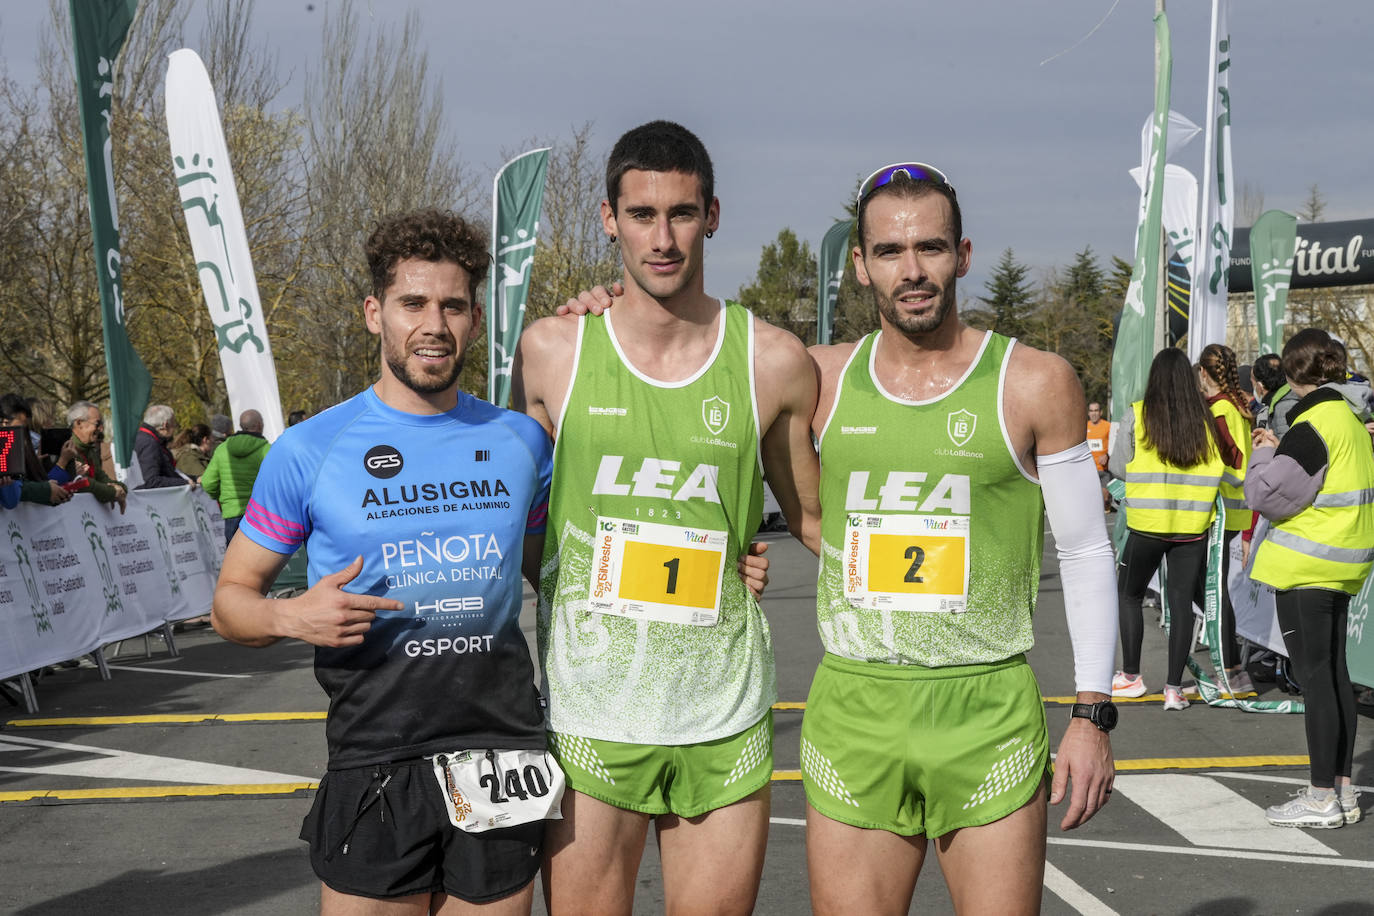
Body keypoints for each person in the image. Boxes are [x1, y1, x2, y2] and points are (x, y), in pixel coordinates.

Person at [511, 120, 821, 916]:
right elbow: (513, 525)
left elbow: (816, 521)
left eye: (681, 213)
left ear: (712, 215)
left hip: (724, 712)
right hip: (591, 713)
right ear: (608, 218)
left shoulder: (774, 359)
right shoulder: (552, 350)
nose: (663, 238)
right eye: (641, 215)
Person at [213, 209, 557, 914]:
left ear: (474, 318)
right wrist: (288, 614)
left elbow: (561, 575)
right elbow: (229, 602)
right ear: (376, 314)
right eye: (413, 304)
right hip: (374, 753)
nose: (434, 323)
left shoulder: (523, 442)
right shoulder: (309, 450)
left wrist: (717, 573)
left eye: (453, 305)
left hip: (501, 750)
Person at [800, 162, 1117, 914]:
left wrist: (1093, 714)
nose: (912, 271)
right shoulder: (815, 380)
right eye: (889, 252)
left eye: (931, 249)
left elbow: (1085, 550)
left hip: (987, 710)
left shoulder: (1035, 381)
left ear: (963, 255)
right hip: (855, 705)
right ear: (860, 264)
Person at [1247, 327, 1372, 829]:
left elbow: (1267, 495)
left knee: (1316, 678)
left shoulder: (1314, 423)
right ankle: (1340, 789)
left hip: (1306, 565)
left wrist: (1264, 451)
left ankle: (1322, 794)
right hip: (1342, 562)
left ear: (1295, 373)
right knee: (1335, 675)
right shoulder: (1349, 418)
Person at [1110, 347, 1223, 709]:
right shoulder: (1204, 418)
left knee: (1128, 595)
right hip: (1191, 527)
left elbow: (1118, 467)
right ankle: (1174, 688)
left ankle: (1131, 676)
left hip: (1147, 525)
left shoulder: (1139, 415)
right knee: (1181, 604)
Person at [1196, 343, 1255, 692]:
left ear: (1204, 373)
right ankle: (1232, 669)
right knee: (1215, 592)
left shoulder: (1219, 408)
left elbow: (1230, 461)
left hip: (1222, 508)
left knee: (1214, 594)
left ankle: (1232, 672)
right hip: (1238, 508)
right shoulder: (1238, 403)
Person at [200, 409, 270, 544]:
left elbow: (208, 482)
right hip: (261, 514)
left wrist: (223, 497)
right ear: (259, 425)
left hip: (231, 513)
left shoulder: (222, 449)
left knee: (237, 563)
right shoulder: (268, 450)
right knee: (264, 563)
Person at [54, 401, 128, 513]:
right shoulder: (64, 447)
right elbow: (82, 484)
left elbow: (103, 479)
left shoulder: (88, 450)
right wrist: (113, 492)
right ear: (79, 423)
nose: (101, 429)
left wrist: (121, 489)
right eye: (97, 424)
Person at [134, 405, 189, 489]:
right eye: (174, 424)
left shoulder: (141, 437)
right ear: (165, 425)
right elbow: (151, 480)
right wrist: (183, 483)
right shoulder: (150, 443)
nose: (174, 429)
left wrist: (194, 479)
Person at [1087, 401, 1113, 510]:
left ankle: (1109, 499)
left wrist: (1107, 455)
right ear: (1088, 413)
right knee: (1091, 503)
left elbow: (1115, 444)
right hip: (1088, 470)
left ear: (1100, 412)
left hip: (1104, 470)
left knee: (1105, 500)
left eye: (1096, 410)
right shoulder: (1084, 427)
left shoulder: (1108, 426)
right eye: (1091, 411)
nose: (1094, 413)